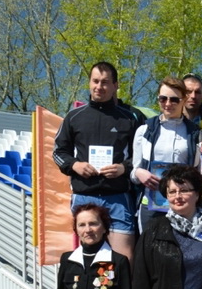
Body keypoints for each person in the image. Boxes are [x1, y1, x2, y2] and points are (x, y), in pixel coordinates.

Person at [53, 61, 140, 263]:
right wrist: (75, 165)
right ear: (89, 83)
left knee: (124, 260)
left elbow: (141, 157)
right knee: (87, 261)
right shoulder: (74, 117)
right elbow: (59, 151)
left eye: (105, 82)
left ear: (116, 85)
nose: (99, 87)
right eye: (95, 81)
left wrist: (123, 168)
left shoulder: (129, 119)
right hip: (85, 197)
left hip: (118, 197)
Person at [130, 76, 202, 233]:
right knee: (151, 252)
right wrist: (139, 172)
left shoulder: (195, 133)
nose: (168, 104)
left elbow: (199, 171)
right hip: (151, 204)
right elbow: (134, 173)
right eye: (163, 99)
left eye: (174, 100)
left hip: (183, 205)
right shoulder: (145, 130)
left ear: (184, 100)